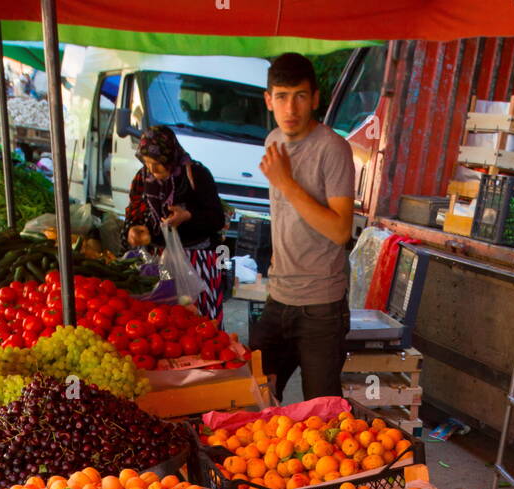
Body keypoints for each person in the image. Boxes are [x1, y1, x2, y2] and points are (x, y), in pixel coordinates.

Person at [250, 52, 355, 400]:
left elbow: (341, 231)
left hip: (321, 308)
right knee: (256, 397)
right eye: (281, 96)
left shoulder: (333, 149)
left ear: (314, 99)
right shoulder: (272, 142)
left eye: (300, 96)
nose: (291, 108)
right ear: (268, 101)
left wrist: (288, 183)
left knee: (322, 412)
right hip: (279, 298)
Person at [121, 126, 226, 320]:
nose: (152, 169)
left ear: (170, 157)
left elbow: (217, 219)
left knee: (200, 321)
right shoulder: (142, 178)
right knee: (164, 321)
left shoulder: (196, 174)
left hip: (197, 262)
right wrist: (135, 230)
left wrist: (188, 216)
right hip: (159, 262)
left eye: (158, 164)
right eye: (147, 163)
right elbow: (133, 214)